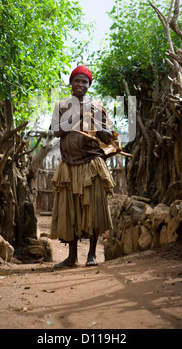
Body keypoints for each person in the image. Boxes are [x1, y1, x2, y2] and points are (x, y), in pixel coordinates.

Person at [50, 65, 115, 268]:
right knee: (71, 211)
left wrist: (95, 121)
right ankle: (71, 257)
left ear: (89, 85)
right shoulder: (61, 105)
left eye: (84, 81)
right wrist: (76, 116)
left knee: (93, 210)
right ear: (71, 83)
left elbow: (108, 138)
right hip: (68, 165)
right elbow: (56, 132)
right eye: (77, 80)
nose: (80, 84)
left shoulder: (97, 107)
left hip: (91, 164)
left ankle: (92, 255)